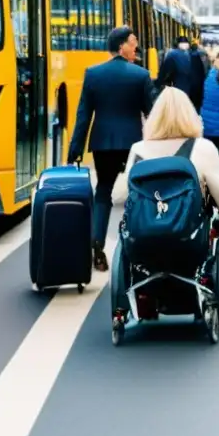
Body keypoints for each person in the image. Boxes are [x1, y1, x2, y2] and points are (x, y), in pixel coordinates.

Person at [68, 26, 155, 272]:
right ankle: (135, 246)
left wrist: (75, 148)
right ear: (121, 46)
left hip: (103, 142)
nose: (136, 46)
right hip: (132, 144)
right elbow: (152, 113)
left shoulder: (93, 74)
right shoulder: (140, 75)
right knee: (137, 193)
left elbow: (83, 114)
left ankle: (97, 243)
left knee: (103, 191)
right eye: (133, 41)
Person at [112, 86, 219, 226]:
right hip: (189, 238)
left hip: (144, 237)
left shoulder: (138, 149)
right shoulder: (202, 147)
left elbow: (119, 197)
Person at [156, 36, 196, 101]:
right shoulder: (194, 54)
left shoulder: (172, 54)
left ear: (176, 44)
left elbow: (163, 73)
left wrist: (157, 85)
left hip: (179, 91)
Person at [188, 39, 210, 112]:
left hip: (192, 81)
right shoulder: (203, 54)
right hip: (201, 79)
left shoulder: (189, 55)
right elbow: (207, 67)